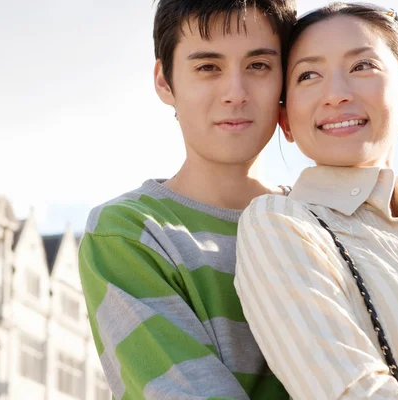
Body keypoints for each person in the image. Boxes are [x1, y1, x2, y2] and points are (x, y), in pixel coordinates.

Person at [235, 2, 398, 399]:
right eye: (309, 75)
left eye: (362, 67)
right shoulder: (279, 224)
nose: (336, 95)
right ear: (286, 121)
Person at [78, 0, 296, 398]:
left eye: (258, 66)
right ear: (165, 81)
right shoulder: (129, 232)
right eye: (208, 67)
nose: (235, 93)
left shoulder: (327, 222)